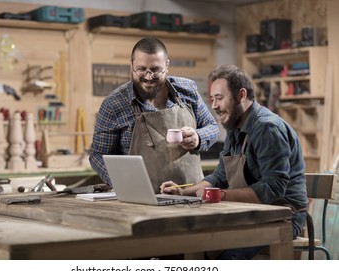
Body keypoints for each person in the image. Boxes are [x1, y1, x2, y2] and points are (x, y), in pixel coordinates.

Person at [161, 64, 308, 259]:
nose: (214, 106)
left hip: (284, 217)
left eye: (219, 98)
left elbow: (274, 187)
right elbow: (220, 176)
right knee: (181, 248)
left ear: (241, 95)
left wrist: (221, 195)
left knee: (225, 259)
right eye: (212, 99)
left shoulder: (267, 128)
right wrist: (182, 191)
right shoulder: (234, 129)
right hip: (252, 212)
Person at [89, 37, 220, 192]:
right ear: (131, 65)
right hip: (141, 198)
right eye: (141, 69)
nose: (149, 76)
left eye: (155, 69)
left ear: (167, 65)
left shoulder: (187, 91)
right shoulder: (114, 104)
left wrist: (198, 138)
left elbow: (213, 128)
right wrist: (123, 181)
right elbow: (98, 155)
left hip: (191, 195)